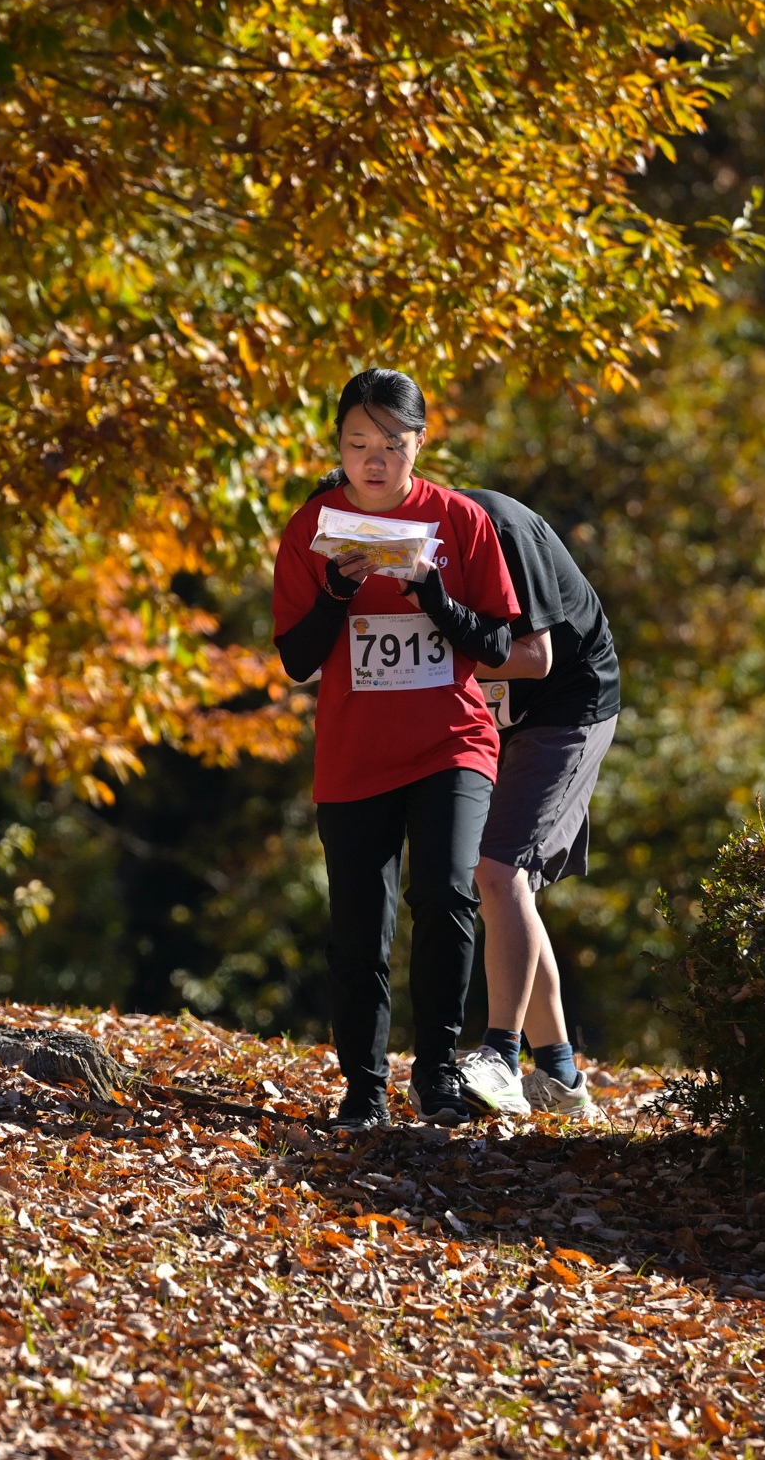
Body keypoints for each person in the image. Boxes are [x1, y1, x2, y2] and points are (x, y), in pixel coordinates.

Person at [272, 369, 521, 1129]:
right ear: (337, 446)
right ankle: (363, 1087)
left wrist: (433, 595)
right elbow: (295, 658)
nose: (372, 460)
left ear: (420, 443)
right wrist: (337, 594)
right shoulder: (312, 527)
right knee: (359, 927)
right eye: (357, 444)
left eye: (390, 443)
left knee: (445, 895)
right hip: (356, 750)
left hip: (452, 740)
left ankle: (437, 1074)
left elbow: (497, 645)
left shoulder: (459, 520)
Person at [450, 488, 621, 1120]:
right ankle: (561, 1074)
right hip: (497, 711)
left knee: (496, 871)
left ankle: (500, 1056)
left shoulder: (498, 526)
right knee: (502, 882)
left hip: (569, 704)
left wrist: (433, 656)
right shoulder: (380, 555)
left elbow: (537, 657)